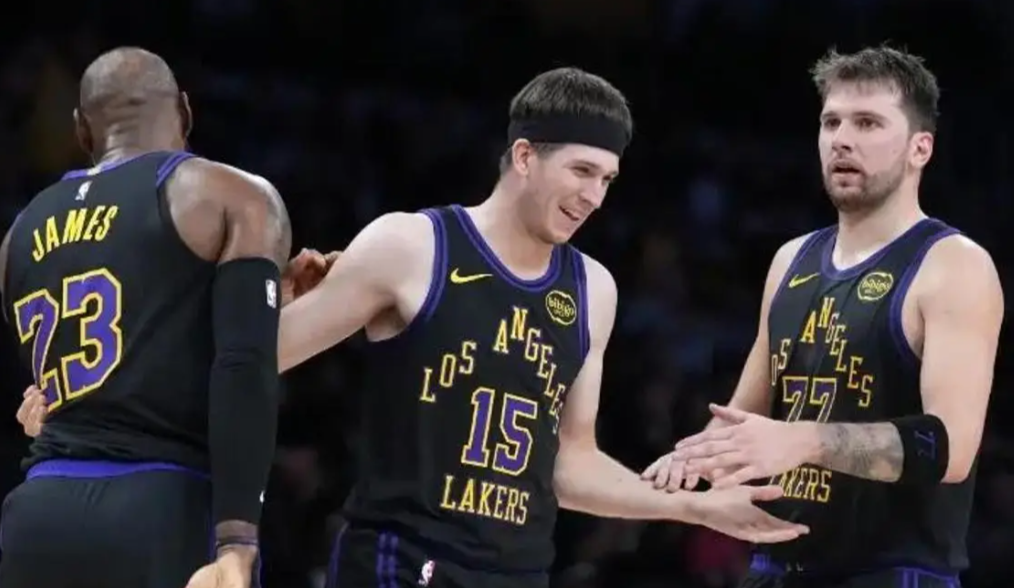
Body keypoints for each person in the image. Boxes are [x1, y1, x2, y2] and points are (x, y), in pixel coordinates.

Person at [15, 66, 809, 587]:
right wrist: (92, 390)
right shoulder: (412, 245)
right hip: (399, 562)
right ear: (523, 157)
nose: (594, 197)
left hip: (517, 572)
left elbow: (568, 465)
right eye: (581, 171)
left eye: (607, 179)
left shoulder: (592, 289)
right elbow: (255, 356)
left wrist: (692, 508)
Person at [642, 46, 1003, 588]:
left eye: (867, 123)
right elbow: (743, 417)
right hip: (774, 567)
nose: (842, 139)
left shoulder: (953, 264)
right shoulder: (791, 259)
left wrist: (806, 441)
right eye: (831, 122)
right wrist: (692, 464)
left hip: (889, 573)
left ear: (920, 148)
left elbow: (948, 448)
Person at [0, 47, 327, 588]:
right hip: (161, 503)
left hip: (38, 512)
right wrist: (237, 543)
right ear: (186, 112)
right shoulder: (228, 195)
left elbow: (123, 351)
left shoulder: (19, 233)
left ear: (82, 129)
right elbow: (242, 367)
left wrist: (270, 303)